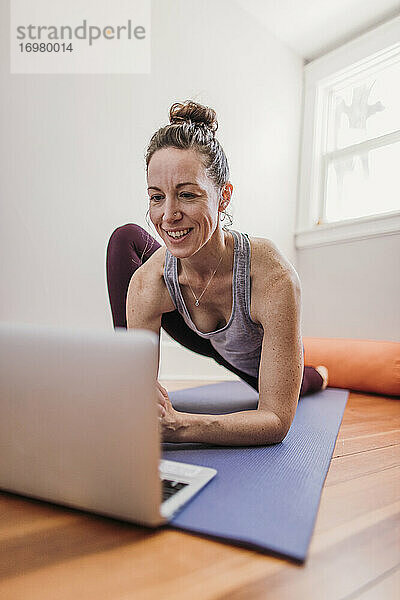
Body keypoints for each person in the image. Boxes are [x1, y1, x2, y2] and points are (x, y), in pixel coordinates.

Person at [106, 100, 328, 447]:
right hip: (196, 327)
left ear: (223, 197)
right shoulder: (149, 281)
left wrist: (182, 426)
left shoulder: (271, 276)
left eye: (187, 195)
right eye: (156, 197)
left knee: (304, 384)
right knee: (124, 238)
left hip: (249, 356)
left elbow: (276, 421)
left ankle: (320, 374)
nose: (168, 215)